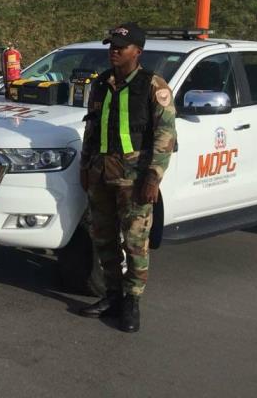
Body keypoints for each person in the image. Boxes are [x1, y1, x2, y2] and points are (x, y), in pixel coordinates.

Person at [78, 23, 177, 333]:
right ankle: (112, 294)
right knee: (104, 238)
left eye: (122, 47)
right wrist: (84, 165)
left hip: (134, 179)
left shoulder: (153, 86)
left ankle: (132, 301)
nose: (115, 51)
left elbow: (165, 136)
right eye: (112, 46)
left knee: (135, 243)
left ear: (138, 52)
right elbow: (91, 128)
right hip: (100, 173)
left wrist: (153, 178)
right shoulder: (101, 84)